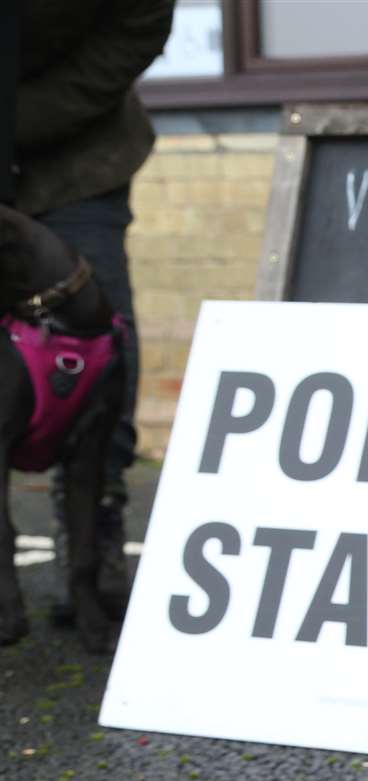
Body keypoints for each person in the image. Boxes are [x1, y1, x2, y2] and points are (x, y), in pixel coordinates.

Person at [9, 0, 176, 614]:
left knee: (101, 346)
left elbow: (142, 18)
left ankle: (95, 528)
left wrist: (20, 118)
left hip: (76, 158)